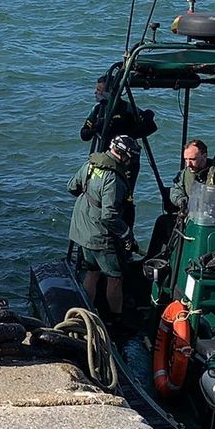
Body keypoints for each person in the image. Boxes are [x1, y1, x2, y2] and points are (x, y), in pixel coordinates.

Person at [69, 134, 140, 315]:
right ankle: (116, 319)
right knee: (115, 278)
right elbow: (109, 216)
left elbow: (72, 187)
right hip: (100, 236)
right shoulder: (113, 178)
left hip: (82, 229)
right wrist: (126, 234)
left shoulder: (91, 164)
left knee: (92, 272)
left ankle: (85, 314)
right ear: (122, 155)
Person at [80, 76, 151, 150]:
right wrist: (95, 129)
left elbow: (151, 127)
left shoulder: (127, 108)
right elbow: (84, 136)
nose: (95, 92)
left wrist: (129, 136)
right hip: (104, 153)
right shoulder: (98, 109)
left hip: (126, 153)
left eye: (99, 90)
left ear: (110, 92)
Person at [170, 139, 215, 211]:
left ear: (204, 156)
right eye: (186, 159)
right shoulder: (184, 174)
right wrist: (181, 201)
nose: (188, 164)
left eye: (193, 159)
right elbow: (176, 190)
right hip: (192, 214)